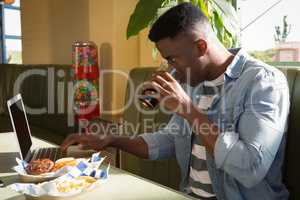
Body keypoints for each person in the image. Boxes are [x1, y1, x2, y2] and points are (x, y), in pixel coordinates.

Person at [61, 3, 290, 200]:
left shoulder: (263, 82)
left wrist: (187, 109)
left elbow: (250, 167)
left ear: (201, 46)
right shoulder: (194, 81)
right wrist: (112, 139)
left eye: (172, 59)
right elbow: (170, 139)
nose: (171, 69)